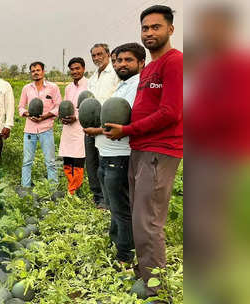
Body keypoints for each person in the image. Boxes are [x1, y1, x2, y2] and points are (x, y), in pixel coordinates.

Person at [103, 5, 183, 299]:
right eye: (145, 28)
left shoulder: (175, 62)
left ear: (170, 30)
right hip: (139, 149)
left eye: (156, 27)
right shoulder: (148, 68)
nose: (149, 33)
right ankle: (146, 269)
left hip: (159, 150)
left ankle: (156, 285)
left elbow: (171, 112)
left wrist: (127, 130)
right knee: (139, 216)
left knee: (148, 220)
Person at [83, 43, 145, 265]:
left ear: (141, 63)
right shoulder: (123, 85)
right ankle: (116, 240)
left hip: (119, 156)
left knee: (121, 207)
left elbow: (120, 123)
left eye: (128, 60)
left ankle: (124, 255)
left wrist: (96, 129)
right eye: (118, 60)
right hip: (106, 153)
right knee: (114, 205)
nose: (121, 64)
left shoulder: (136, 86)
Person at [86, 43, 120, 209]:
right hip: (90, 127)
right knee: (91, 164)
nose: (97, 58)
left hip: (107, 127)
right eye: (94, 55)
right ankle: (97, 196)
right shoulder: (92, 78)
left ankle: (108, 199)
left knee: (104, 164)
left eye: (100, 54)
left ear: (107, 54)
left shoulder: (115, 74)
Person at [18, 61, 61, 188]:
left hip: (46, 129)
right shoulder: (26, 88)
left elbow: (58, 106)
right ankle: (25, 188)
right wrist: (27, 114)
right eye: (33, 71)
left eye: (38, 70)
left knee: (50, 162)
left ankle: (53, 189)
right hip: (29, 130)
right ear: (31, 73)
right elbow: (20, 107)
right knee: (27, 161)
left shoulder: (53, 87)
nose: (35, 73)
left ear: (43, 71)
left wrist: (45, 116)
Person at [59, 57, 87, 195]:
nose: (75, 71)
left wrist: (76, 117)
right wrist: (62, 117)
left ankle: (76, 189)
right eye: (72, 69)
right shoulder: (68, 87)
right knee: (67, 157)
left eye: (77, 68)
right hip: (68, 128)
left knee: (78, 158)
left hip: (80, 127)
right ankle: (71, 187)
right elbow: (65, 106)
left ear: (83, 69)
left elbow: (90, 107)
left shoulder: (88, 85)